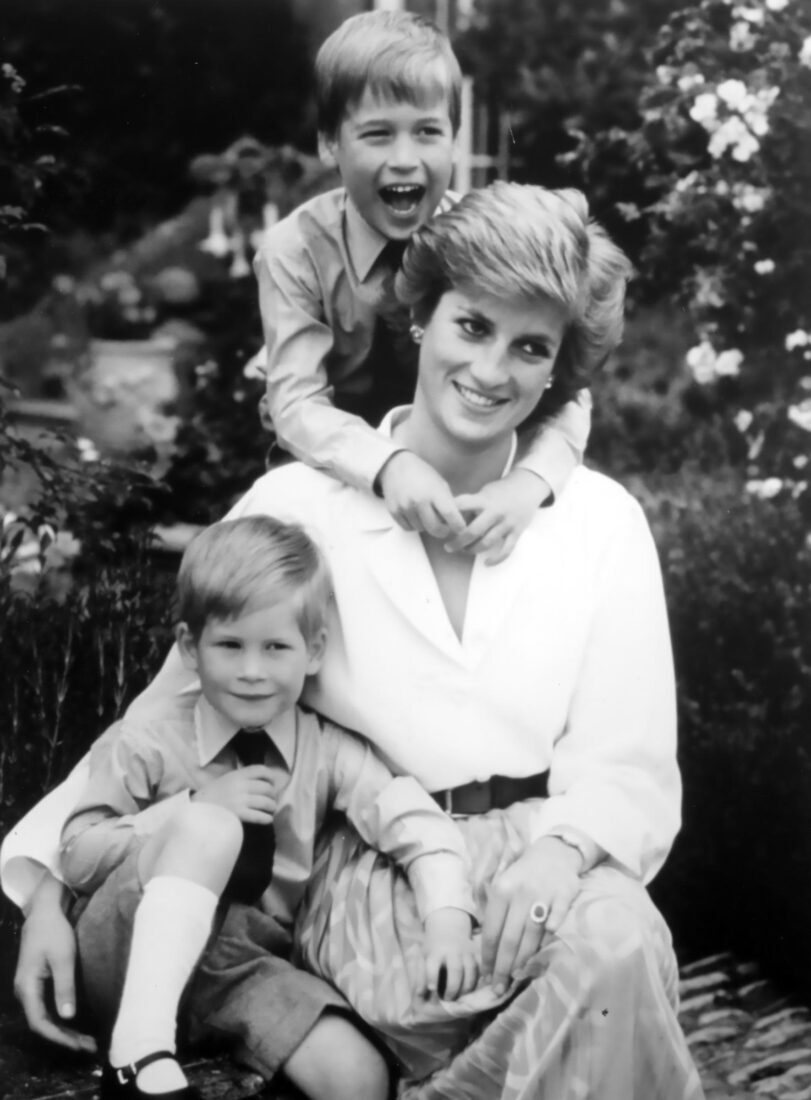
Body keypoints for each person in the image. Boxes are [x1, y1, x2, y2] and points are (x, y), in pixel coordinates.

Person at [3, 182, 705, 1099]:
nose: (492, 370)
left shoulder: (599, 521)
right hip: (377, 875)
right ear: (423, 319)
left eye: (529, 347)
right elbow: (171, 712)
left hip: (549, 854)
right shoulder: (301, 507)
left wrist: (556, 855)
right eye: (472, 326)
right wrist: (51, 894)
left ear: (556, 373)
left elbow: (630, 760)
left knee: (618, 948)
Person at [56, 515, 478, 1100]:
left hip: (236, 962)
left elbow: (413, 820)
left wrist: (449, 914)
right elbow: (77, 856)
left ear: (313, 652)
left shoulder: (324, 750)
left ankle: (168, 1051)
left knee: (357, 1075)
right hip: (121, 950)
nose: (252, 671)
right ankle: (135, 1059)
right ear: (189, 647)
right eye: (229, 645)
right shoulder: (147, 738)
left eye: (276, 647)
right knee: (208, 828)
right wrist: (182, 810)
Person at [254, 9, 592, 565]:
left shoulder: (480, 239)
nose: (405, 159)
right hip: (335, 482)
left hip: (466, 486)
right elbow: (295, 403)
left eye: (428, 131)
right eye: (378, 134)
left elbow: (569, 386)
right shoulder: (295, 250)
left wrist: (528, 484)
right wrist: (389, 465)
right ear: (329, 145)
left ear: (455, 141)